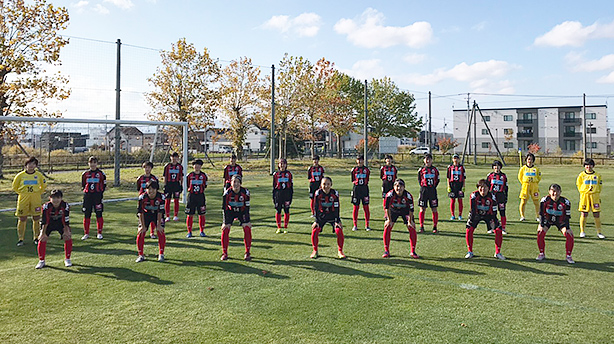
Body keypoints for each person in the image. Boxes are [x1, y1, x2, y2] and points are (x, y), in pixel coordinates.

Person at [464, 179, 505, 260]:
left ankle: (498, 252)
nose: (483, 189)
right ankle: (470, 251)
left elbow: (494, 212)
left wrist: (492, 225)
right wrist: (472, 221)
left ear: (489, 188)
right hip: (476, 214)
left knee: (498, 230)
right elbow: (472, 210)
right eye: (481, 187)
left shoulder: (492, 197)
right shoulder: (474, 196)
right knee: (469, 229)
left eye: (485, 187)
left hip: (489, 215)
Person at [536, 184, 575, 264]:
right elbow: (541, 214)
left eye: (557, 191)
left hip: (560, 221)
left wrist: (567, 228)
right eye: (553, 191)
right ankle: (541, 253)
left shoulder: (565, 202)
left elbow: (567, 216)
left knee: (570, 235)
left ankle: (568, 256)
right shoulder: (544, 200)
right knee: (540, 233)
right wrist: (541, 224)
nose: (555, 194)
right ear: (549, 192)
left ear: (560, 192)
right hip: (548, 220)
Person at [13, 157, 47, 246]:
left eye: (33, 164)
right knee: (22, 218)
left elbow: (44, 185)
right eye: (29, 164)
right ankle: (20, 239)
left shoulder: (39, 175)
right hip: (23, 198)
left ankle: (36, 237)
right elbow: (15, 186)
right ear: (26, 165)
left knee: (36, 217)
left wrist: (39, 192)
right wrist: (22, 193)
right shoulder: (20, 175)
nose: (31, 166)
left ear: (36, 165)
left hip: (35, 198)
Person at [35, 190, 72, 269]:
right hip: (49, 223)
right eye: (54, 198)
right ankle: (41, 260)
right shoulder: (46, 206)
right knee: (42, 239)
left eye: (58, 198)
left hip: (60, 223)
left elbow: (66, 219)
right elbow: (45, 220)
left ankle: (67, 259)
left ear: (61, 198)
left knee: (68, 237)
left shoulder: (65, 205)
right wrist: (43, 232)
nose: (56, 200)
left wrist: (66, 231)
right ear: (50, 198)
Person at [382, 179, 419, 259]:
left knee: (412, 227)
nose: (399, 188)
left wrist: (410, 221)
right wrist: (389, 219)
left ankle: (413, 251)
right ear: (394, 187)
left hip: (405, 210)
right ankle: (386, 251)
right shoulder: (389, 195)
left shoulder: (408, 196)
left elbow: (411, 209)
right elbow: (386, 207)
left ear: (404, 187)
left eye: (401, 186)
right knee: (387, 226)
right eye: (397, 186)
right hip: (393, 210)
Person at [310, 176, 345, 259]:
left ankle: (340, 251)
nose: (326, 186)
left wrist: (337, 220)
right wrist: (316, 221)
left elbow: (337, 207)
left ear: (331, 185)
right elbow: (316, 208)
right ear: (321, 185)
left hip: (332, 216)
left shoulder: (335, 193)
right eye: (324, 184)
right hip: (322, 217)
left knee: (339, 230)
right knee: (315, 230)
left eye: (328, 184)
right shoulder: (318, 193)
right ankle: (315, 251)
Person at [220, 175, 252, 261]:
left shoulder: (245, 192)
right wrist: (224, 222)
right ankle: (225, 253)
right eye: (234, 182)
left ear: (241, 183)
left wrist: (247, 220)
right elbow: (224, 208)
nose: (236, 184)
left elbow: (247, 207)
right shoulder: (227, 193)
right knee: (225, 229)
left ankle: (247, 252)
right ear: (231, 183)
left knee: (247, 228)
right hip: (230, 212)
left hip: (242, 212)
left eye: (238, 182)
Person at [135, 181, 167, 263]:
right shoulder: (142, 197)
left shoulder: (161, 197)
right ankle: (140, 255)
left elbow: (160, 212)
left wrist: (159, 225)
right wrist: (142, 226)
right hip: (146, 214)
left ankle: (161, 254)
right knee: (141, 232)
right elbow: (140, 212)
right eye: (149, 189)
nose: (151, 191)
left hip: (157, 214)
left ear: (156, 189)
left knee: (160, 231)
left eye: (153, 189)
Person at [576, 158, 605, 239]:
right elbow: (579, 185)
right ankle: (582, 231)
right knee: (584, 213)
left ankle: (599, 232)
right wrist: (584, 192)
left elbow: (600, 185)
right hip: (585, 196)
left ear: (593, 166)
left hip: (595, 196)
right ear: (584, 166)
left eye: (590, 165)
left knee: (596, 213)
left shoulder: (597, 175)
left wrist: (597, 193)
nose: (588, 166)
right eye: (586, 165)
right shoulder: (581, 175)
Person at [81, 156, 106, 240]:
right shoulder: (85, 174)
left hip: (97, 196)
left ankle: (99, 233)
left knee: (98, 214)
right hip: (88, 196)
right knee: (87, 214)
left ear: (97, 163)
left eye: (94, 163)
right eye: (91, 163)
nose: (92, 164)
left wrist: (100, 193)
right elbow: (83, 184)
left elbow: (104, 184)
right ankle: (86, 233)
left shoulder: (101, 174)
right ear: (88, 163)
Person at [185, 159, 208, 238]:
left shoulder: (204, 175)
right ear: (193, 166)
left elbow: (205, 185)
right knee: (190, 214)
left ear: (201, 166)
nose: (197, 166)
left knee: (202, 214)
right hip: (192, 196)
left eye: (198, 165)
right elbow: (187, 184)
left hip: (200, 196)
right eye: (195, 165)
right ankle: (189, 232)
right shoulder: (189, 175)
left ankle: (202, 231)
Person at [417, 154, 439, 233]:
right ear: (424, 160)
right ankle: (421, 226)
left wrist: (433, 187)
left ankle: (435, 226)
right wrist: (423, 187)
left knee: (434, 208)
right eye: (426, 159)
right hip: (424, 190)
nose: (428, 161)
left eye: (429, 159)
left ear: (432, 160)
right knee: (422, 208)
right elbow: (419, 179)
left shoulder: (435, 170)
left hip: (432, 190)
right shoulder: (421, 169)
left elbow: (437, 180)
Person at [137, 161, 159, 239]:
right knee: (142, 214)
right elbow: (138, 188)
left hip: (152, 199)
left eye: (149, 167)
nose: (147, 169)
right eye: (146, 167)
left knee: (153, 213)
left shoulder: (154, 178)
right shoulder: (140, 178)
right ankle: (142, 228)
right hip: (143, 200)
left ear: (151, 169)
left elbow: (156, 188)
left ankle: (152, 232)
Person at [487, 160, 509, 234]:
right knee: (492, 213)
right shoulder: (490, 175)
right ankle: (492, 228)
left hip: (501, 196)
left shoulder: (503, 176)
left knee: (502, 212)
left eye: (498, 166)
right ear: (493, 167)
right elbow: (487, 186)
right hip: (492, 196)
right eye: (495, 166)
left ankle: (503, 228)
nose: (497, 168)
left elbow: (506, 187)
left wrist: (506, 197)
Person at [518, 152, 541, 222]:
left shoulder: (536, 169)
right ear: (526, 160)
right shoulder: (523, 168)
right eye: (528, 159)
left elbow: (539, 177)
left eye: (531, 159)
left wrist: (534, 182)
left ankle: (538, 216)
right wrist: (524, 183)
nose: (529, 161)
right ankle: (522, 216)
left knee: (536, 202)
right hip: (525, 185)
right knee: (523, 202)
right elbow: (520, 177)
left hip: (534, 186)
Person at [350, 155, 371, 231]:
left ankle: (367, 225)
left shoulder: (366, 169)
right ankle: (355, 225)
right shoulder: (354, 170)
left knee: (366, 207)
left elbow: (367, 178)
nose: (360, 161)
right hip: (356, 189)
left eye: (361, 160)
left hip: (364, 189)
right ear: (356, 161)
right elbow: (352, 179)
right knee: (356, 207)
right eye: (358, 160)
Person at [272, 158, 293, 233]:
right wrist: (274, 197)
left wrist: (291, 197)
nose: (282, 165)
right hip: (278, 194)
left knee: (286, 210)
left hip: (286, 193)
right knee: (278, 210)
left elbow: (291, 186)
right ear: (278, 165)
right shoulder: (276, 174)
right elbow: (274, 186)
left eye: (283, 163)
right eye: (280, 163)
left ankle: (285, 227)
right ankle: (279, 227)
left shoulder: (289, 174)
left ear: (286, 165)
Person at [163, 152, 184, 222]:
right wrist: (165, 185)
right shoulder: (167, 166)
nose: (174, 159)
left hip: (176, 184)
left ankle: (175, 215)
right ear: (170, 158)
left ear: (178, 158)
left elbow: (181, 176)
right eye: (173, 157)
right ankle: (167, 216)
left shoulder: (180, 166)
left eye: (176, 157)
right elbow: (165, 176)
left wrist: (181, 185)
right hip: (169, 184)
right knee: (167, 200)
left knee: (176, 200)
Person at [447, 153, 466, 221]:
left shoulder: (461, 167)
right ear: (452, 159)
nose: (455, 160)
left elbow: (464, 178)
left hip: (459, 185)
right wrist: (448, 186)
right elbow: (448, 178)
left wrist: (463, 186)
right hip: (452, 185)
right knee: (452, 200)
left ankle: (460, 215)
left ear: (459, 159)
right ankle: (453, 215)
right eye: (454, 158)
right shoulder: (450, 167)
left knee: (460, 200)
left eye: (457, 158)